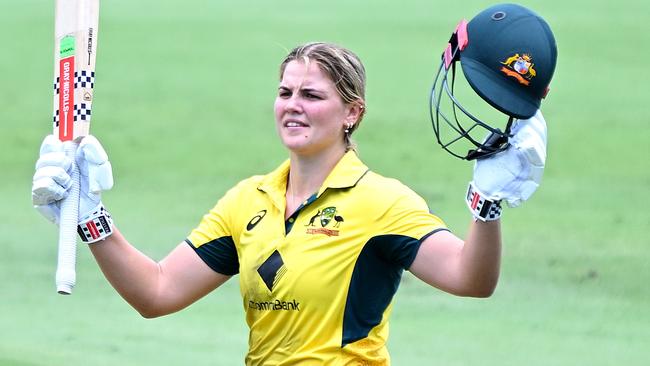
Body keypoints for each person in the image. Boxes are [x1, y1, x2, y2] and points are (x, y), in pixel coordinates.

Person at [32, 4, 556, 365]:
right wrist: (90, 219)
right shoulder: (247, 202)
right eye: (285, 92)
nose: (292, 105)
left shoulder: (383, 203)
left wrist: (487, 206)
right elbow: (157, 292)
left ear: (353, 113)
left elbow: (472, 279)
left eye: (311, 95)